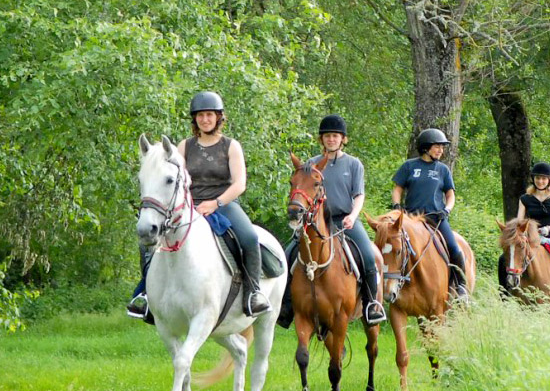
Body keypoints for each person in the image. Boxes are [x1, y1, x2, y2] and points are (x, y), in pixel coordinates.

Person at [127, 91, 272, 319]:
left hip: (224, 203)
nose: (205, 119)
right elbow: (175, 174)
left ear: (218, 117)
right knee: (148, 241)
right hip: (189, 205)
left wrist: (216, 203)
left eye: (209, 115)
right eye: (200, 115)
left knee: (249, 238)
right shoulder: (185, 146)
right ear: (194, 119)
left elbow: (240, 183)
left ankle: (254, 293)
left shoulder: (231, 146)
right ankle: (145, 294)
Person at [290, 114, 386, 324]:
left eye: (335, 136)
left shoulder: (353, 164)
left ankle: (371, 305)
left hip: (344, 220)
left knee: (369, 257)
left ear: (343, 139)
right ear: (321, 139)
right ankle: (287, 305)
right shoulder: (312, 164)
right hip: (316, 222)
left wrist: (353, 216)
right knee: (290, 252)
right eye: (327, 136)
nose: (331, 139)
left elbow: (359, 195)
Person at [391, 128, 469, 301]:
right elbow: (397, 188)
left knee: (454, 248)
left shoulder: (443, 169)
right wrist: (397, 206)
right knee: (392, 246)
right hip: (411, 218)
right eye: (437, 146)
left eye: (442, 147)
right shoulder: (409, 166)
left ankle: (461, 286)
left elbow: (450, 194)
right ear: (426, 147)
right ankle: (392, 285)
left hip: (436, 218)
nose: (441, 150)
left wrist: (447, 209)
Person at [498, 162, 550, 300]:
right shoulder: (525, 199)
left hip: (549, 236)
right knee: (502, 259)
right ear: (533, 179)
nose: (540, 181)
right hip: (528, 236)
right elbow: (519, 221)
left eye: (544, 178)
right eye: (538, 178)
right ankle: (504, 293)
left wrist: (547, 229)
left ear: (549, 181)